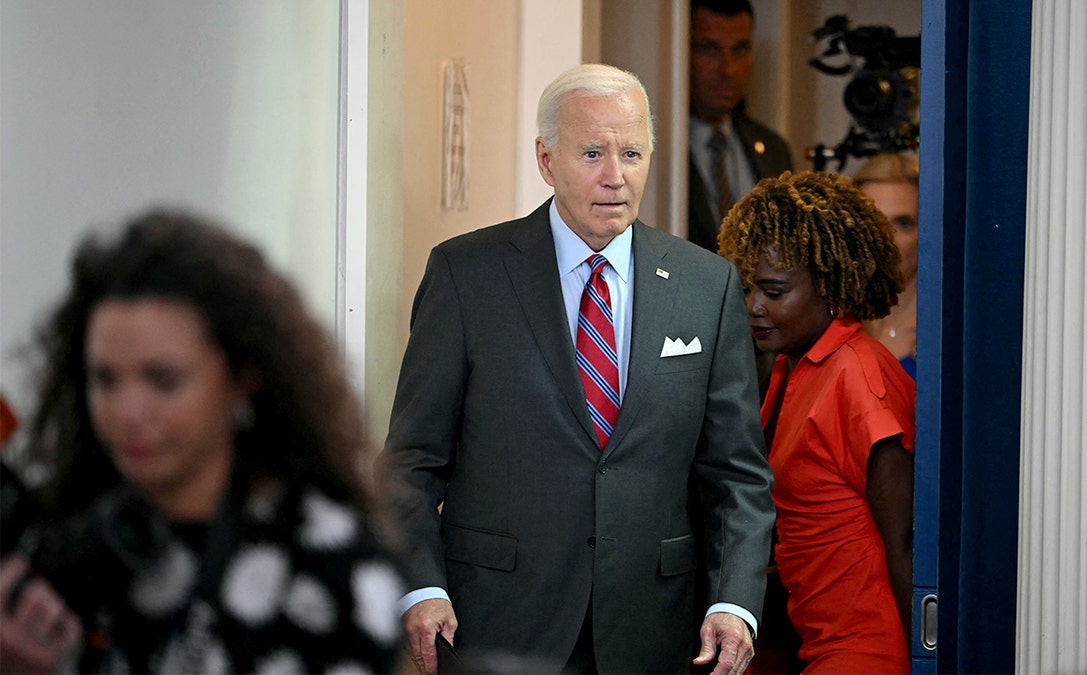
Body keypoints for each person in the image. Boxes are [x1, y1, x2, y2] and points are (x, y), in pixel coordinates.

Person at [379, 63, 775, 675]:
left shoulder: (708, 284)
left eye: (633, 153)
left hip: (657, 631)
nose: (616, 178)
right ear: (546, 160)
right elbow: (411, 463)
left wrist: (735, 602)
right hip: (497, 623)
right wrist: (421, 587)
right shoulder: (467, 275)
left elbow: (737, 474)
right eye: (592, 153)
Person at [6, 210, 404, 673]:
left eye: (164, 380)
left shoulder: (332, 567)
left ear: (242, 380)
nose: (128, 413)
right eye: (105, 380)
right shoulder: (67, 545)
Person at [719, 170, 915, 673]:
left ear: (830, 286)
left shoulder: (860, 376)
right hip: (814, 642)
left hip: (868, 650)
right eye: (747, 289)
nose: (754, 307)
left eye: (774, 290)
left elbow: (906, 545)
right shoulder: (792, 365)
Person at [687, 0, 793, 256]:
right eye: (710, 49)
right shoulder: (655, 147)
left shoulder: (773, 149)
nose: (728, 69)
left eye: (740, 50)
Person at [854, 152, 919, 378]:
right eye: (873, 223)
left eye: (903, 224)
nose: (887, 239)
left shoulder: (945, 334)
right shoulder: (828, 326)